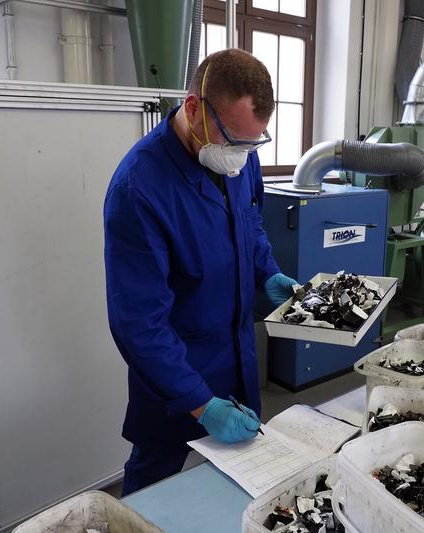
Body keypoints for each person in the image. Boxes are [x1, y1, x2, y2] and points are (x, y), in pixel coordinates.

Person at [104, 49, 298, 496]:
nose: (243, 155)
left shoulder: (237, 154)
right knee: (153, 485)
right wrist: (199, 403)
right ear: (194, 108)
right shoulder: (139, 189)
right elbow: (138, 323)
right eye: (235, 140)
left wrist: (266, 271)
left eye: (254, 144)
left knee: (243, 486)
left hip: (236, 355)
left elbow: (250, 224)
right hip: (173, 371)